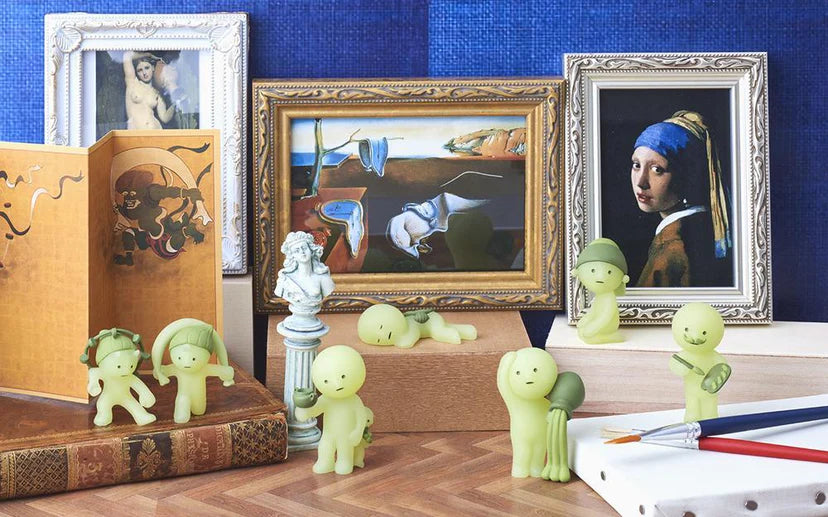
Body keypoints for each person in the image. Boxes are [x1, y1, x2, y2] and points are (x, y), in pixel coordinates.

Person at [630, 110, 732, 287]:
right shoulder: (700, 226)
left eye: (657, 170)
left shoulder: (674, 246)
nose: (641, 182)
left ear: (688, 176)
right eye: (637, 165)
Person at [274, 231, 335, 306]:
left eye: (304, 248)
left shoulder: (324, 278)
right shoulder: (285, 280)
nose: (302, 252)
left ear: (311, 250)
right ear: (292, 256)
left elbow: (328, 290)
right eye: (297, 250)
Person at [123, 51, 175, 130]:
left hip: (155, 131)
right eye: (140, 70)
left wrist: (175, 103)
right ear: (136, 72)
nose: (144, 73)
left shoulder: (156, 93)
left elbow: (164, 117)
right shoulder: (132, 83)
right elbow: (127, 56)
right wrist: (148, 54)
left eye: (147, 68)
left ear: (153, 68)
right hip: (136, 132)